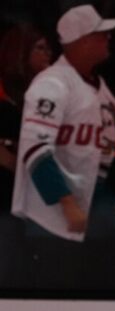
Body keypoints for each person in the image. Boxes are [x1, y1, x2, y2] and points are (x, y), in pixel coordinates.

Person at [10, 4, 115, 289]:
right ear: (82, 41)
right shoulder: (52, 84)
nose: (108, 38)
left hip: (91, 217)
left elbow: (110, 145)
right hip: (50, 221)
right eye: (100, 34)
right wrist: (67, 204)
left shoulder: (98, 86)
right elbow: (35, 149)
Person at [0, 24, 53, 287]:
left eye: (48, 48)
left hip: (35, 202)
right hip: (6, 200)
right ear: (20, 52)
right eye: (40, 48)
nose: (48, 54)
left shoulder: (48, 93)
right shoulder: (4, 96)